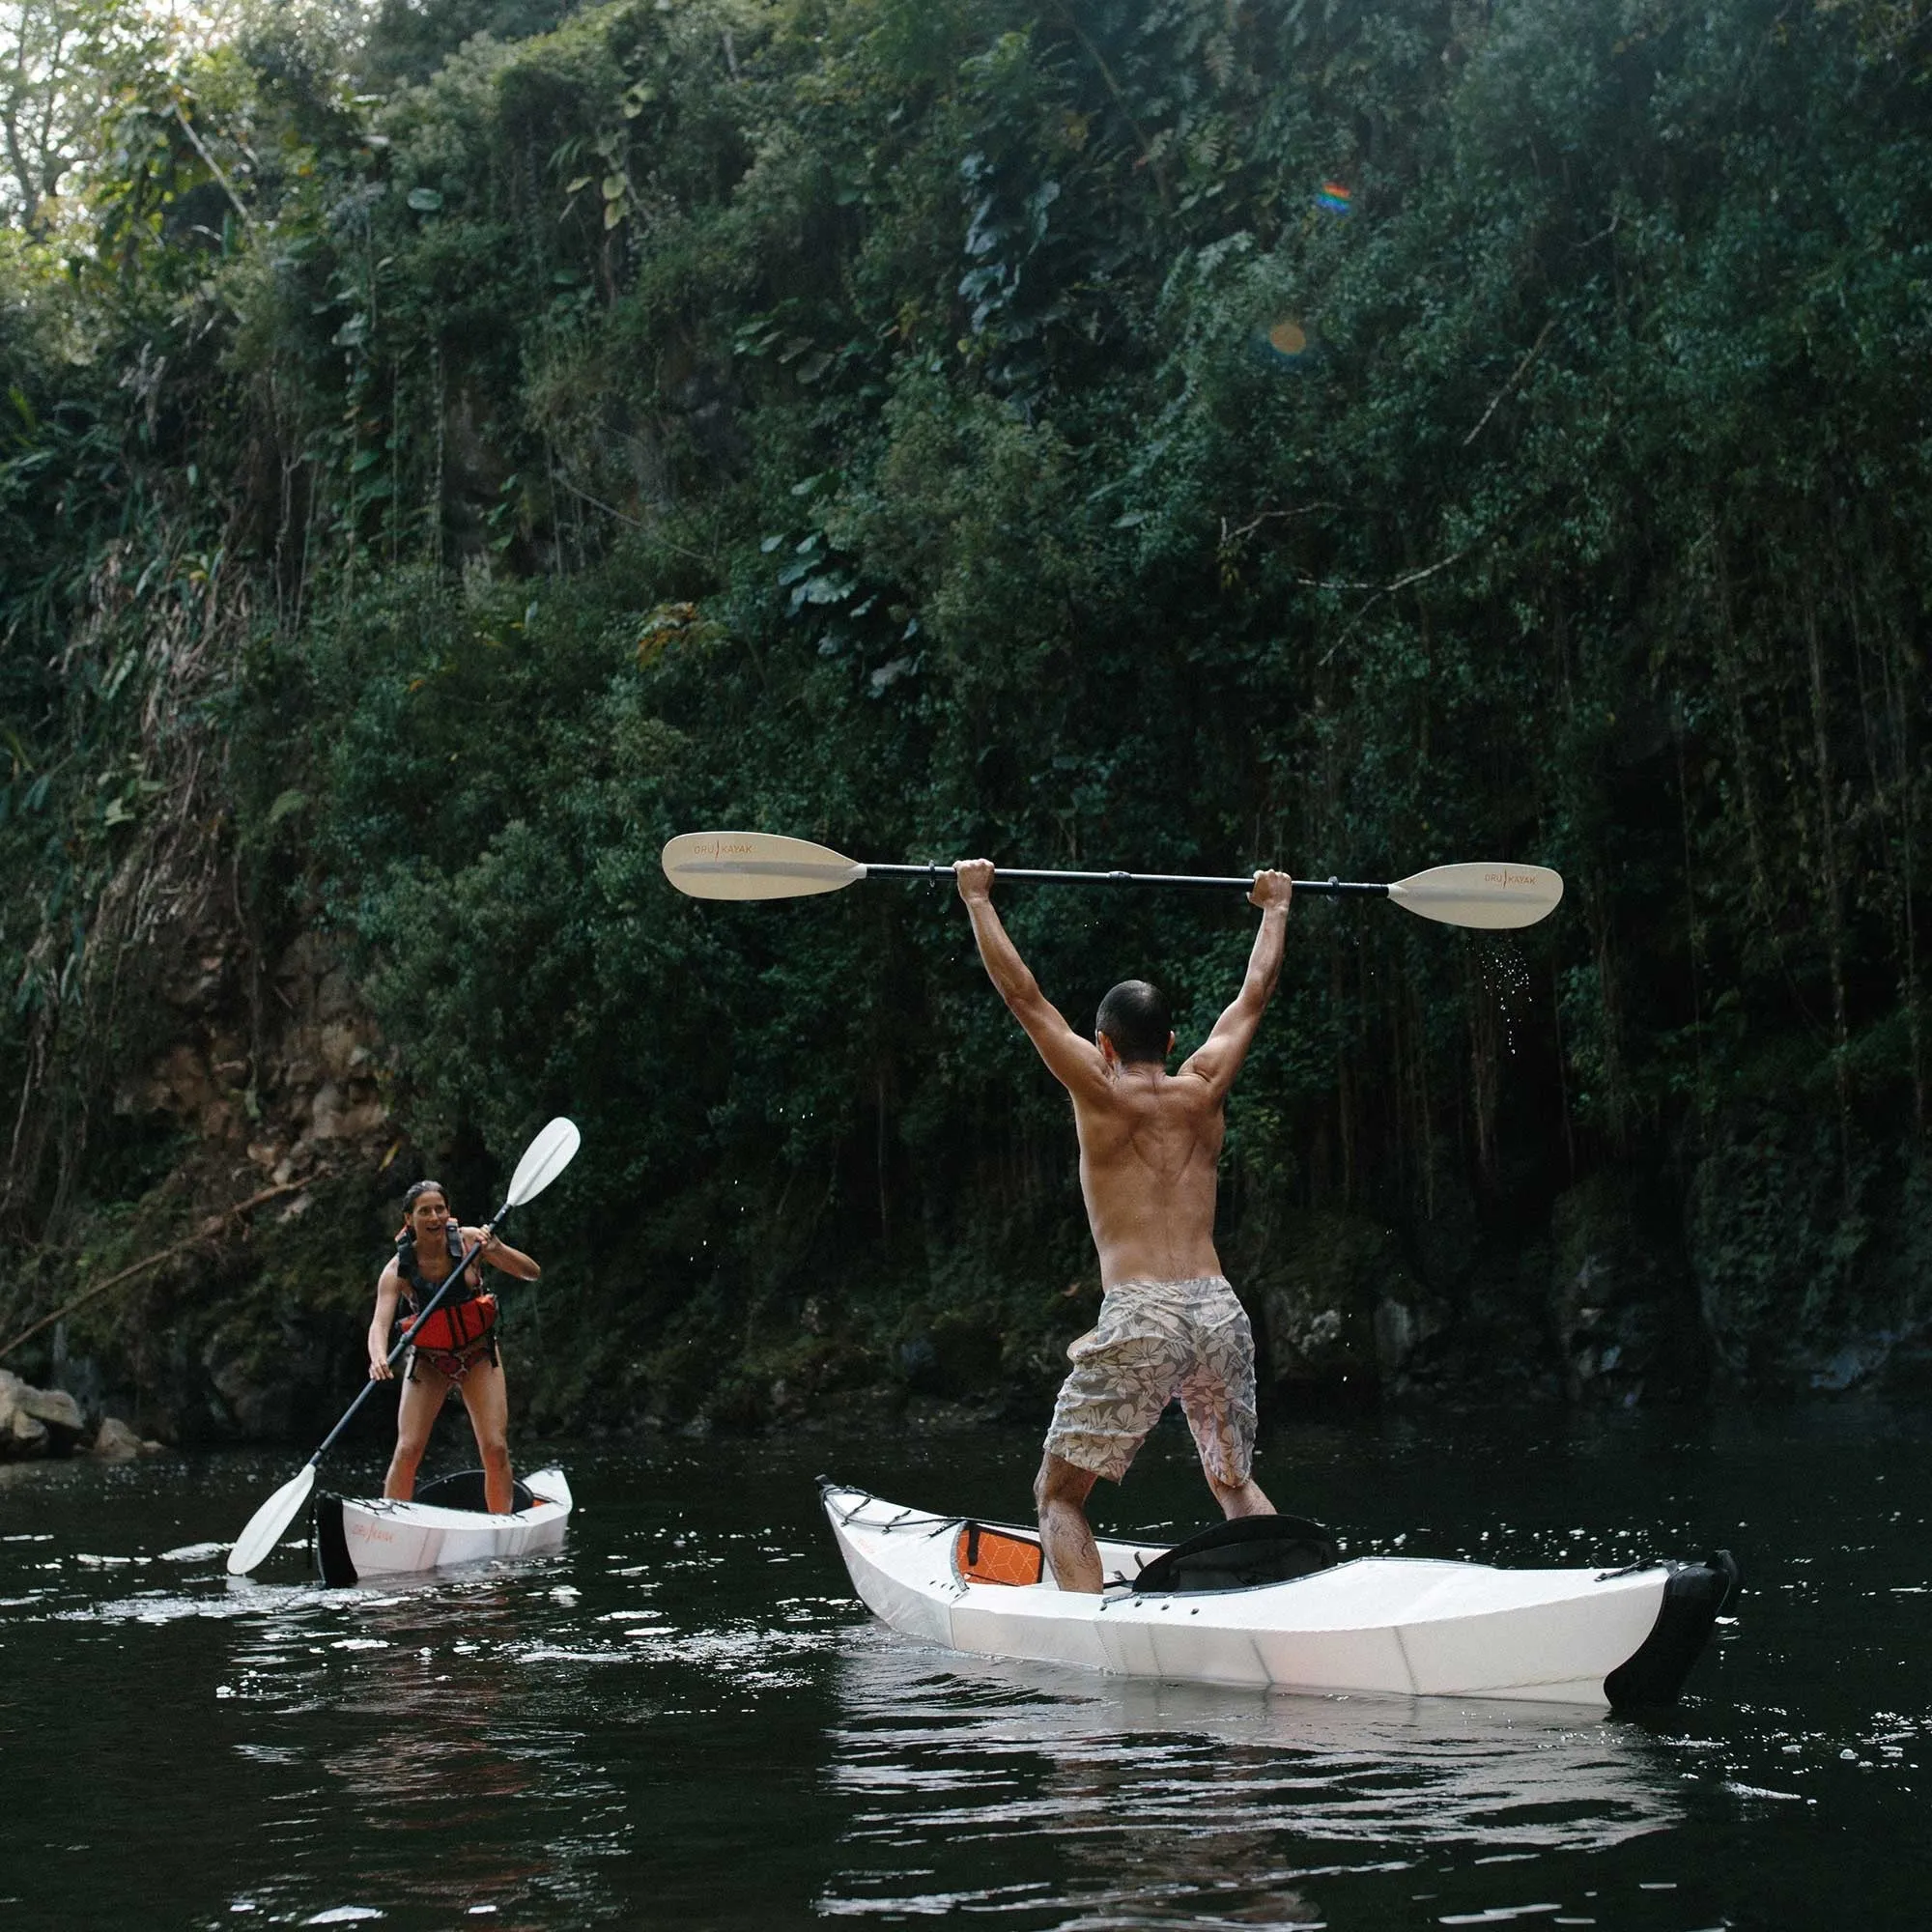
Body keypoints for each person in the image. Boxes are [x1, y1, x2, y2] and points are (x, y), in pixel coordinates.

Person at [954, 858, 1294, 1592]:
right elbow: (1254, 994)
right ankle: (1284, 1599)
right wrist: (1276, 908)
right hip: (1218, 1309)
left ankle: (1088, 1642)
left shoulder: (1100, 1092)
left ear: (1105, 1045)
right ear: (1172, 1044)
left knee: (1057, 1495)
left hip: (1144, 1313)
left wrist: (977, 898)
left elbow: (1024, 997)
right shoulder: (1203, 1085)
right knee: (1232, 1481)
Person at [366, 1178, 541, 1514]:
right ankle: (389, 1523)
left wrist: (498, 1249)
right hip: (430, 1361)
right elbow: (379, 1324)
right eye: (424, 1211)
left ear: (449, 1213)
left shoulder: (473, 1242)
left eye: (440, 1209)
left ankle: (499, 1526)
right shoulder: (397, 1269)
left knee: (495, 1447)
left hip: (477, 1356)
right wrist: (377, 1357)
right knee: (408, 1449)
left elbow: (530, 1272)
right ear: (409, 1219)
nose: (434, 1217)